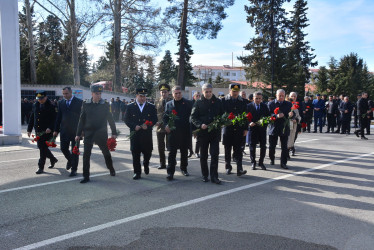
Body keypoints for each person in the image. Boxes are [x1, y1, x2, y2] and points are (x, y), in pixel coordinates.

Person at [75, 85, 117, 183]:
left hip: (101, 133)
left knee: (106, 153)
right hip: (88, 133)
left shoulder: (105, 104)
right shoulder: (86, 104)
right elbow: (81, 120)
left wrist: (114, 132)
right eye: (96, 94)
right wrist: (78, 134)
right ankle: (86, 176)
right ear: (92, 94)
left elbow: (110, 119)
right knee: (86, 155)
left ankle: (111, 168)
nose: (99, 96)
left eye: (100, 93)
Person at [191, 83, 224, 184]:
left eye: (210, 91)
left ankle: (214, 176)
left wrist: (221, 122)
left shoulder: (218, 102)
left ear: (212, 91)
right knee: (203, 155)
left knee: (214, 155)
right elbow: (193, 117)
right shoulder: (198, 103)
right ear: (202, 92)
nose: (208, 94)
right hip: (203, 133)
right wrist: (200, 125)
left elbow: (222, 115)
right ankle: (205, 175)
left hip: (214, 133)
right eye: (206, 92)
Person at [124, 88, 157, 180]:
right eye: (140, 96)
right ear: (136, 96)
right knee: (135, 154)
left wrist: (149, 126)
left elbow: (154, 119)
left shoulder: (151, 106)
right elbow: (126, 119)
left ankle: (146, 164)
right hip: (135, 135)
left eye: (144, 96)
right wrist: (134, 126)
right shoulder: (130, 106)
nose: (142, 98)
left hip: (146, 134)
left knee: (148, 153)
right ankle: (137, 172)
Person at [163, 86, 193, 180]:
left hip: (184, 132)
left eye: (179, 93)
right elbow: (165, 118)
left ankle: (184, 168)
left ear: (182, 93)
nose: (178, 95)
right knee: (172, 153)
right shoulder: (169, 104)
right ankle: (170, 172)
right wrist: (166, 125)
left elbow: (192, 117)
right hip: (173, 133)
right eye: (176, 93)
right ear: (172, 94)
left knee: (184, 152)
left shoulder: (188, 103)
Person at [53, 87, 83, 177]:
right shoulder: (61, 102)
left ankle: (74, 169)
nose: (65, 95)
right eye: (63, 94)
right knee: (63, 148)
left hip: (76, 131)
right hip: (64, 130)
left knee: (75, 151)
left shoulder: (79, 102)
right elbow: (58, 117)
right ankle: (70, 160)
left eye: (66, 94)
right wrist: (56, 130)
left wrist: (82, 131)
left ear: (71, 92)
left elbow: (83, 117)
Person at [27, 90, 58, 174]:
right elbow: (32, 117)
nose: (40, 100)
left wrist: (50, 128)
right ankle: (53, 159)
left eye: (41, 98)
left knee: (43, 149)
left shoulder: (52, 106)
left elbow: (55, 119)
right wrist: (29, 129)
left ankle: (41, 167)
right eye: (38, 99)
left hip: (47, 131)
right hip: (38, 131)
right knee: (42, 147)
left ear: (46, 97)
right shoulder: (35, 105)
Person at [222, 83, 248, 176]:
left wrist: (246, 128)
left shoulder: (243, 101)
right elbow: (221, 114)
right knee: (227, 149)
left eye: (237, 91)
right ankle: (228, 167)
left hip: (239, 129)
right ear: (230, 91)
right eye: (233, 91)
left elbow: (246, 116)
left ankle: (239, 169)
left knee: (239, 150)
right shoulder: (223, 100)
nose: (235, 93)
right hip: (228, 128)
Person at [267, 89, 293, 169]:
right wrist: (275, 116)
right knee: (272, 146)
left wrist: (292, 115)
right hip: (274, 127)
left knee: (284, 147)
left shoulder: (288, 104)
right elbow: (267, 115)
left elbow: (293, 113)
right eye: (279, 96)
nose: (281, 97)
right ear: (276, 95)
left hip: (284, 128)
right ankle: (272, 158)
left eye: (282, 96)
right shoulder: (271, 104)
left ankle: (283, 163)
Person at [247, 91, 270, 170]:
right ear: (253, 98)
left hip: (262, 130)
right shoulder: (248, 106)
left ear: (262, 99)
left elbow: (268, 117)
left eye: (259, 98)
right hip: (252, 130)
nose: (258, 100)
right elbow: (245, 117)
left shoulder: (264, 106)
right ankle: (253, 162)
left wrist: (265, 123)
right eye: (256, 98)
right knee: (252, 146)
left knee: (263, 146)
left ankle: (261, 162)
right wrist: (249, 123)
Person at [154, 83, 172, 170]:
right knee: (160, 146)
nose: (163, 93)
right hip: (159, 127)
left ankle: (172, 161)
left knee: (170, 146)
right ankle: (162, 163)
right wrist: (155, 122)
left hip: (169, 126)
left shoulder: (172, 100)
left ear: (168, 92)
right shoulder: (157, 101)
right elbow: (154, 113)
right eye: (162, 92)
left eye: (165, 92)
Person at [286, 95, 301, 159]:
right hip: (285, 127)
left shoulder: (295, 109)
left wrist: (296, 120)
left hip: (293, 127)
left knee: (291, 141)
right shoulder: (284, 109)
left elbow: (299, 117)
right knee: (285, 141)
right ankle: (285, 153)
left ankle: (288, 152)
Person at [191, 92, 201, 158]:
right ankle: (190, 151)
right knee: (189, 139)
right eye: (196, 96)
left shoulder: (201, 103)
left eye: (199, 96)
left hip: (198, 124)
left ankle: (197, 152)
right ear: (194, 97)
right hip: (191, 123)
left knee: (198, 139)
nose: (198, 97)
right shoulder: (190, 103)